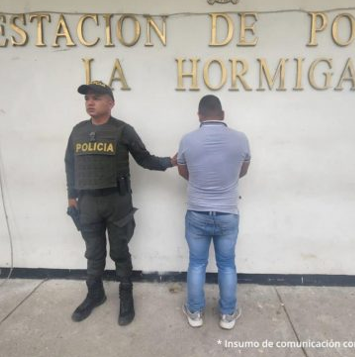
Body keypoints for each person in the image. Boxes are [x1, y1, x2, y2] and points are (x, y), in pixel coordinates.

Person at [64, 80, 176, 326]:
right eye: (87, 98)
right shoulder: (78, 131)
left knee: (119, 252)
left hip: (117, 202)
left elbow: (144, 159)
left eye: (96, 98)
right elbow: (70, 164)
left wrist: (170, 161)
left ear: (111, 103)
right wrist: (71, 195)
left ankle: (126, 295)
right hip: (88, 203)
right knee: (93, 253)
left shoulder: (123, 130)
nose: (90, 102)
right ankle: (95, 294)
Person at [177, 94, 250, 329]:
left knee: (197, 263)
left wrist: (199, 182)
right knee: (227, 264)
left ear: (199, 115)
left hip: (197, 211)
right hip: (228, 212)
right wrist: (225, 183)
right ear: (223, 114)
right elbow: (243, 169)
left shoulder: (188, 140)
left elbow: (182, 171)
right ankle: (228, 315)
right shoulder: (241, 139)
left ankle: (195, 313)